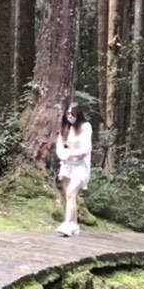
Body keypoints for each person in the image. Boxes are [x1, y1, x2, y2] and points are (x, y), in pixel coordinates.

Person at [54, 102, 92, 237]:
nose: (70, 116)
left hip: (81, 167)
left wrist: (71, 154)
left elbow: (85, 149)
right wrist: (64, 155)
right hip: (67, 166)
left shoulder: (85, 127)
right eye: (68, 114)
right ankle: (74, 225)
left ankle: (66, 224)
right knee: (70, 196)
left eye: (73, 114)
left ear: (78, 115)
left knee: (71, 192)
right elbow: (60, 148)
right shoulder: (64, 128)